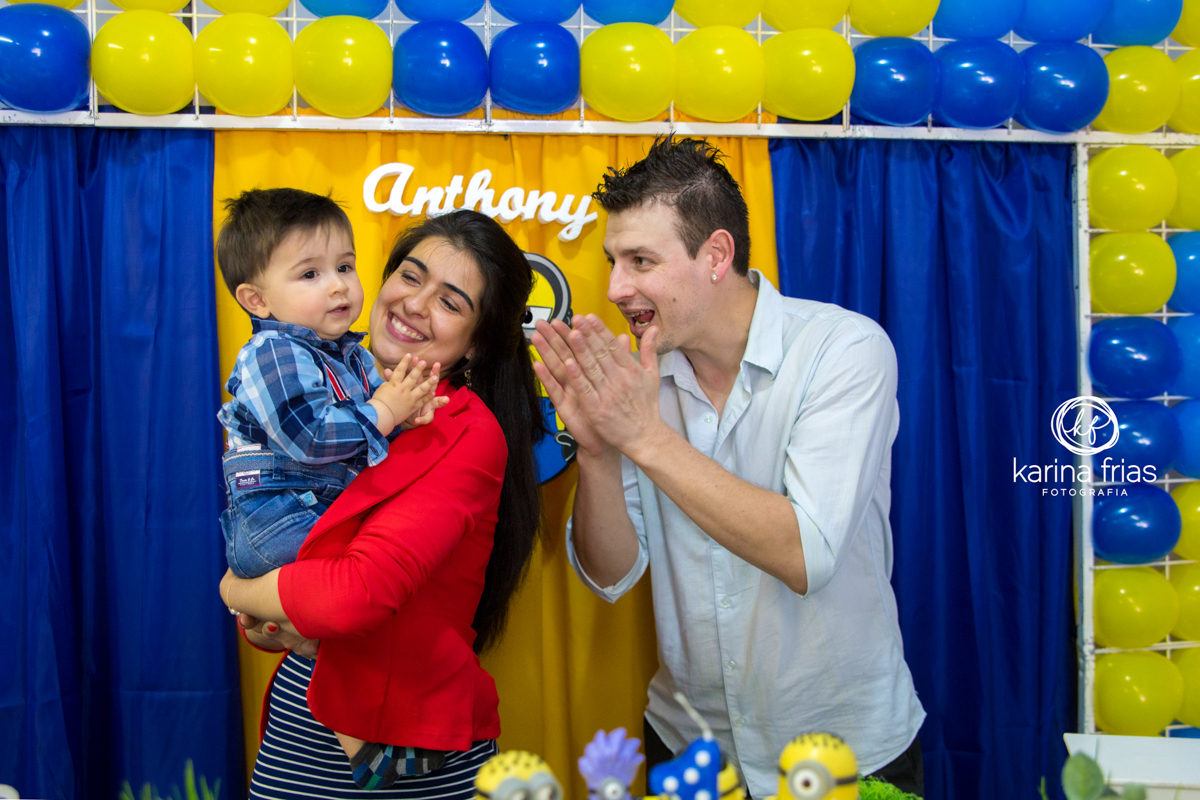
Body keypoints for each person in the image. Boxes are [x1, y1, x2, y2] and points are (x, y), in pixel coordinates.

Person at [531, 137, 927, 797]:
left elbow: (806, 553)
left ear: (716, 255)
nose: (616, 288)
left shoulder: (843, 349)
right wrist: (599, 455)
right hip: (691, 744)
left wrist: (643, 437)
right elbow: (609, 575)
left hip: (843, 751)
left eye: (640, 261)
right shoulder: (641, 383)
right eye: (612, 262)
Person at [218, 209, 545, 799]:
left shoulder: (466, 432)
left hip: (406, 742)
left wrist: (234, 590)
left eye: (450, 303)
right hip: (300, 732)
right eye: (410, 277)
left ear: (476, 344)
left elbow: (349, 598)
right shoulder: (331, 388)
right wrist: (273, 616)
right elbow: (290, 571)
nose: (414, 304)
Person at [216, 188, 447, 786]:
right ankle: (362, 746)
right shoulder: (271, 354)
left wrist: (408, 413)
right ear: (257, 299)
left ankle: (360, 721)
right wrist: (387, 412)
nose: (339, 287)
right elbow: (310, 436)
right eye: (311, 274)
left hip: (311, 511)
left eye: (345, 266)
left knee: (363, 605)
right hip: (276, 519)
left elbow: (374, 429)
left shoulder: (352, 355)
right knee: (356, 596)